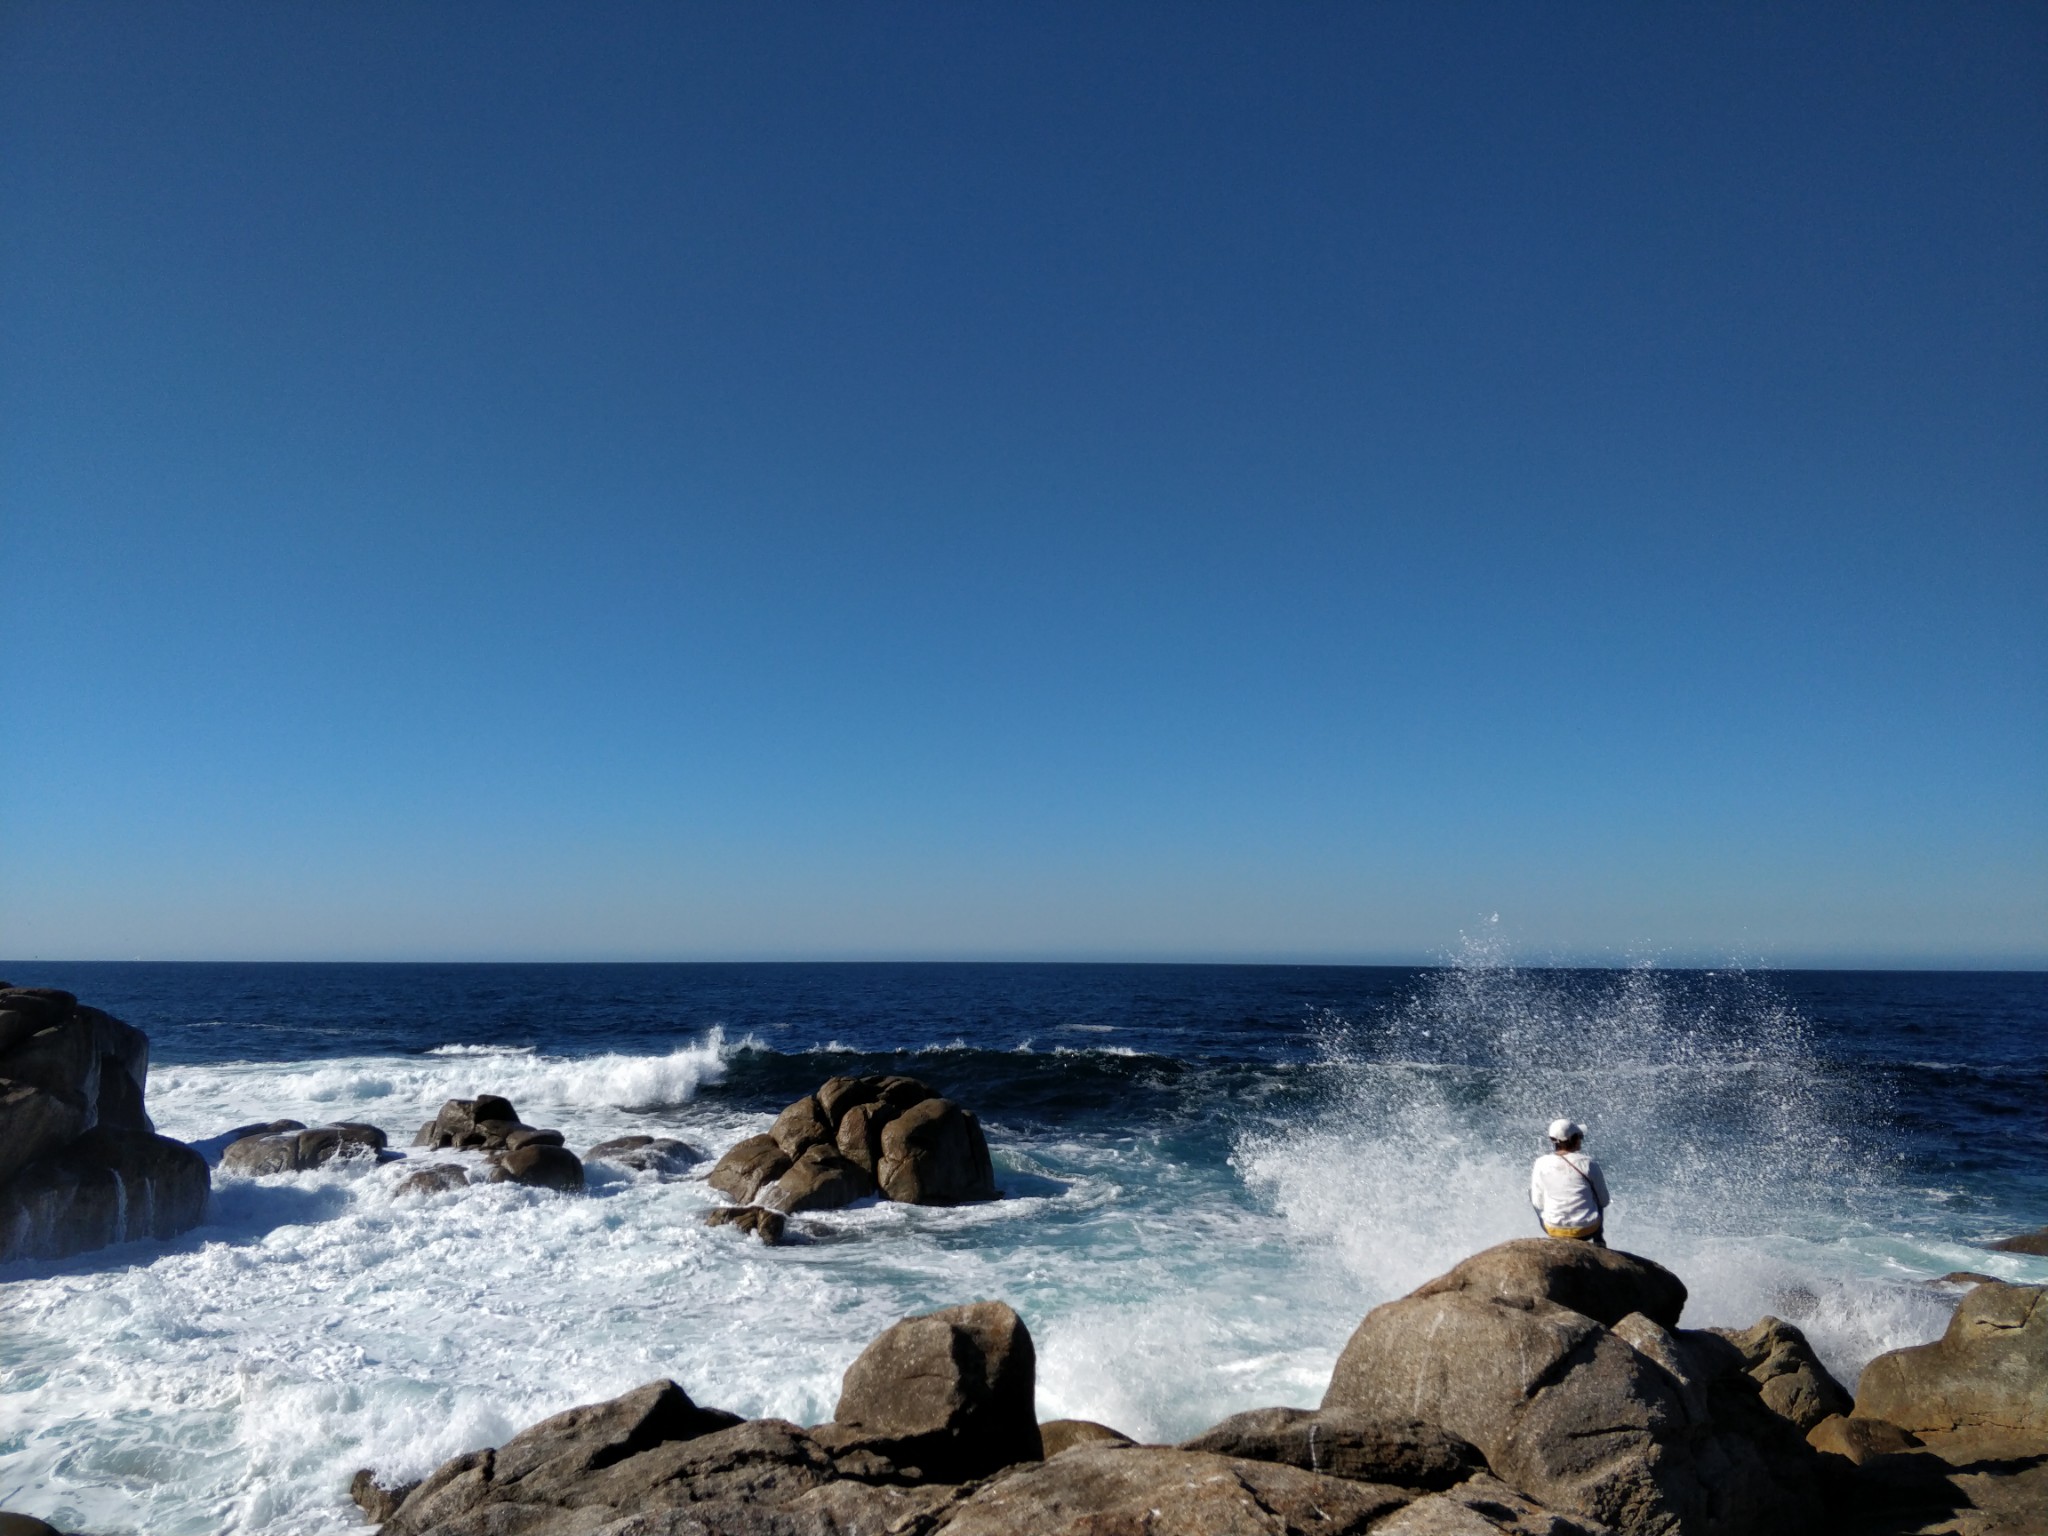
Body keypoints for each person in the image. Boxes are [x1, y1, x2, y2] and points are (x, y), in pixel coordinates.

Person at [1530, 1117, 1609, 1245]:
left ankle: (1555, 1232)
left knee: (1532, 1192)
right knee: (1595, 1193)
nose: (1581, 1140)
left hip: (1554, 1230)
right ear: (1574, 1140)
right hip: (1586, 1230)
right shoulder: (1588, 1163)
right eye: (1580, 1137)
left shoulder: (1541, 1163)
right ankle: (1599, 1240)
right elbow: (1604, 1201)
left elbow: (1538, 1204)